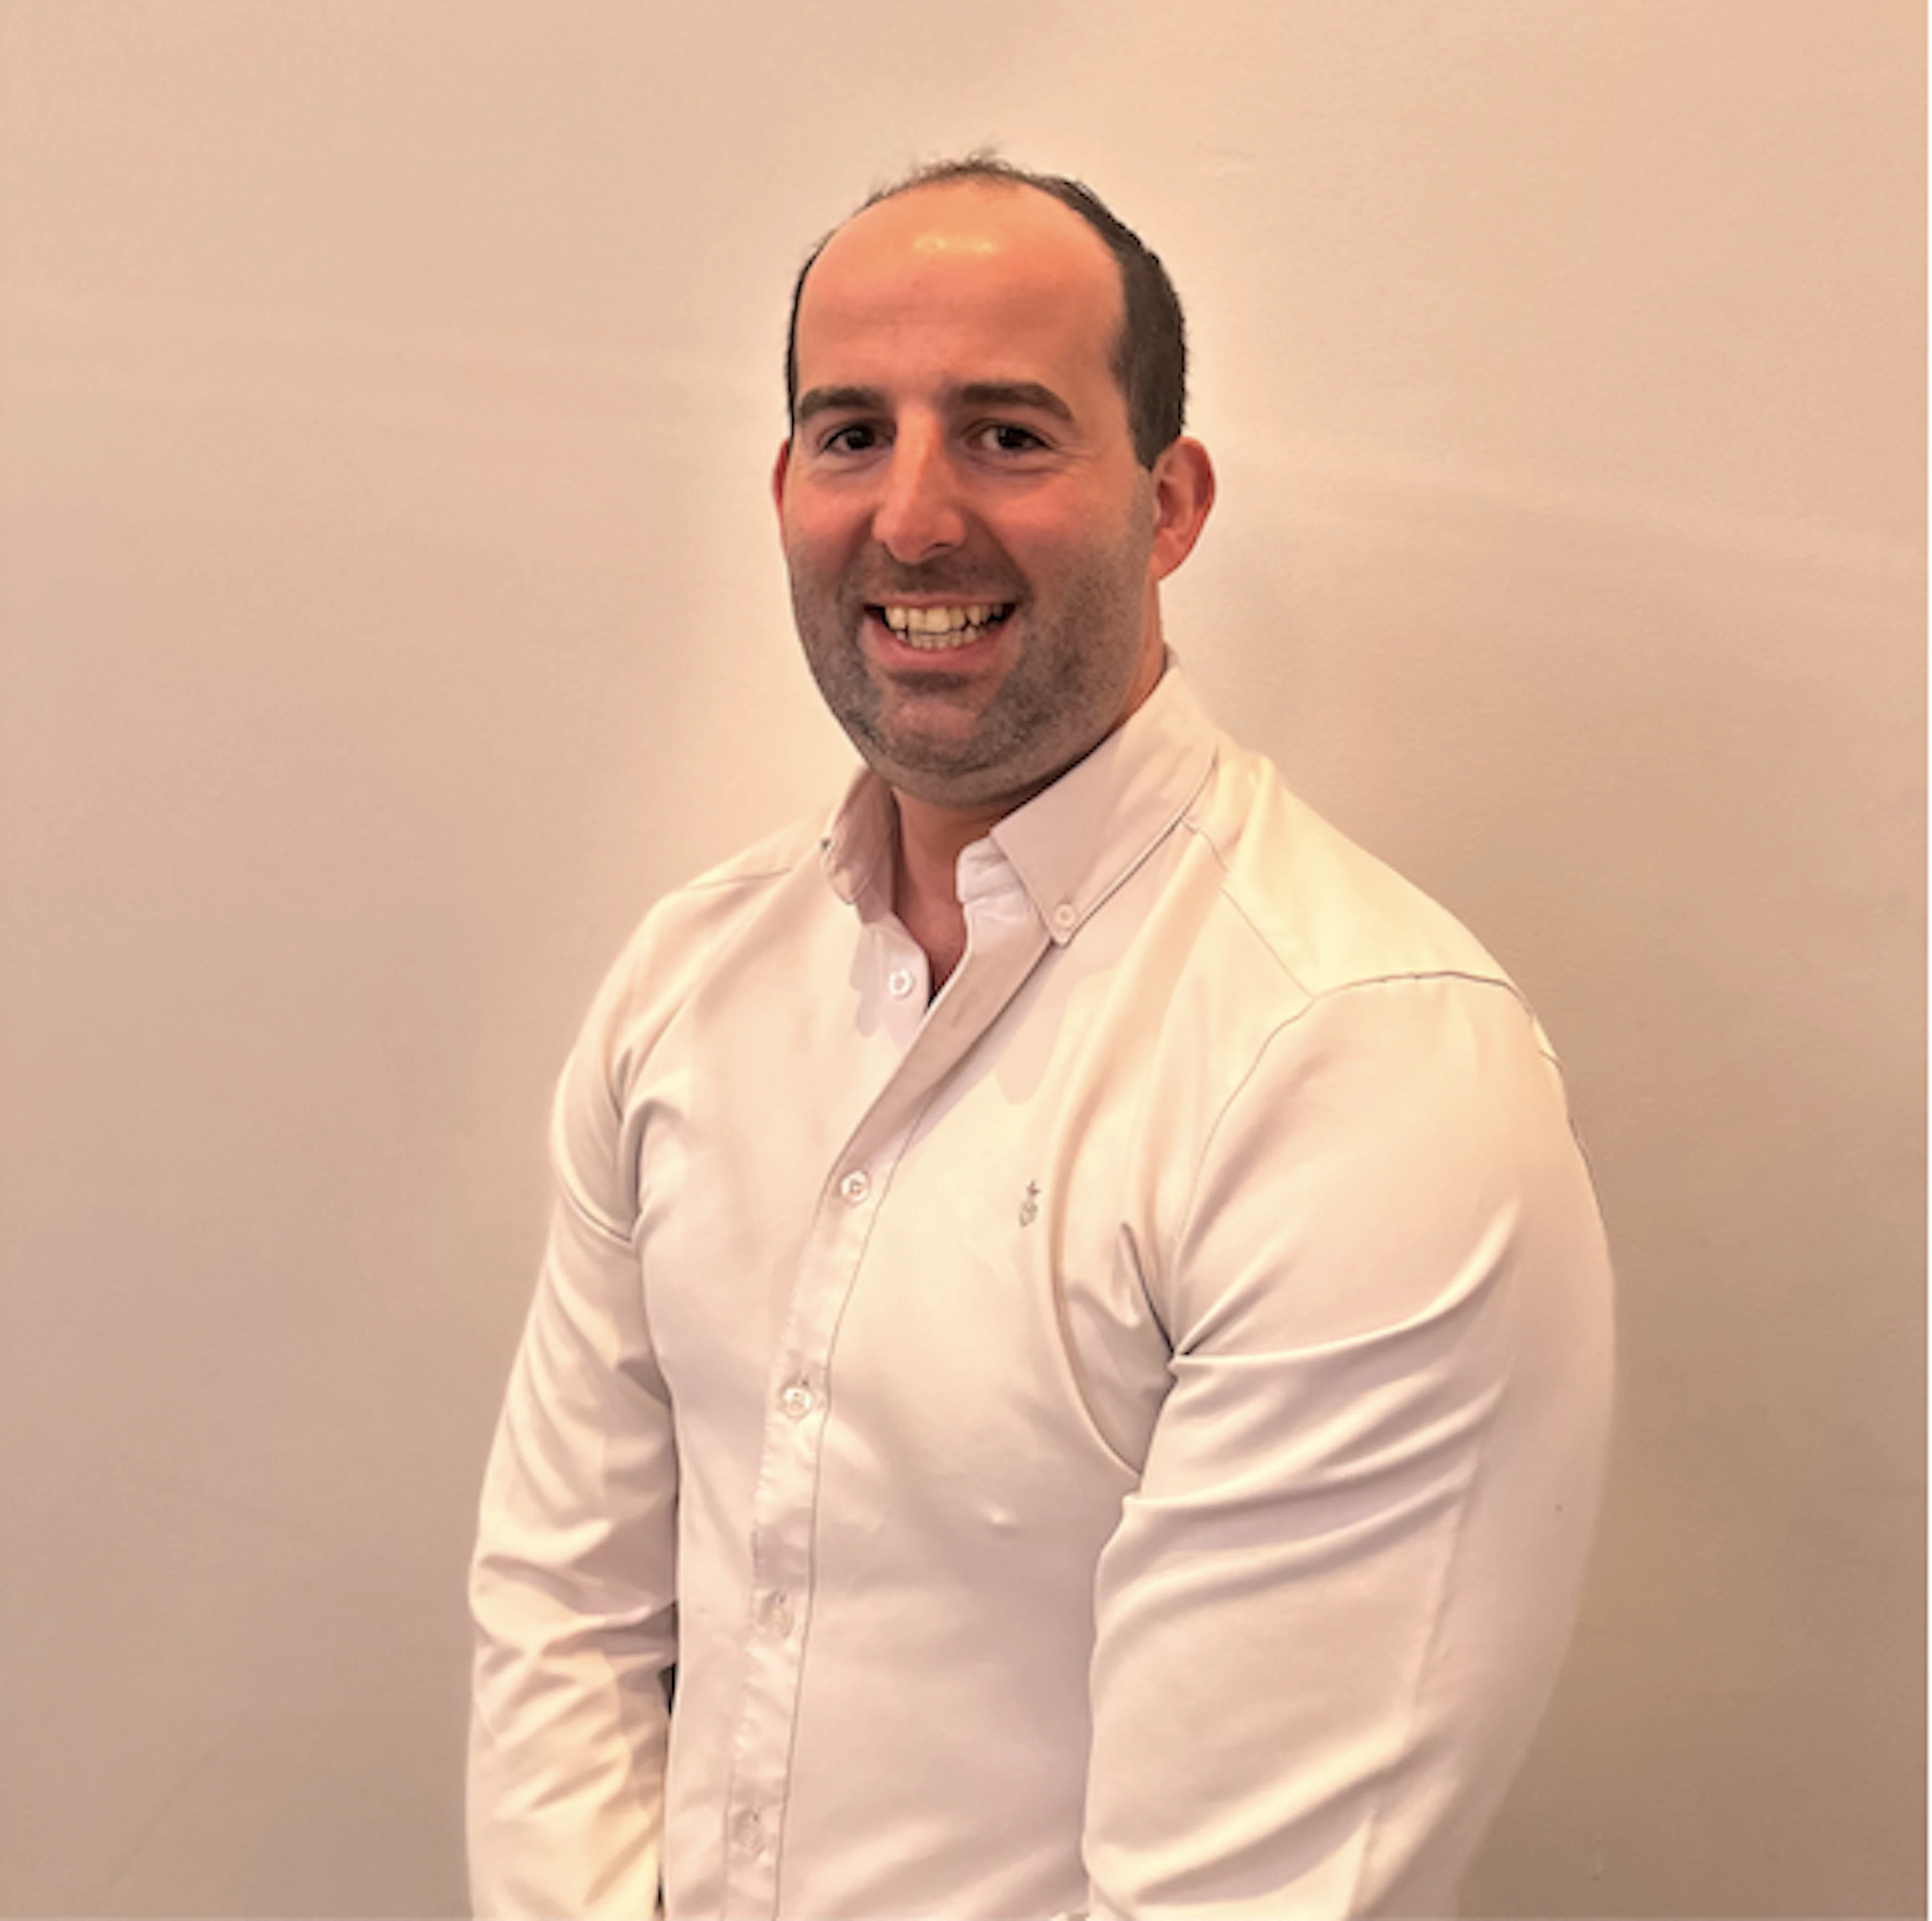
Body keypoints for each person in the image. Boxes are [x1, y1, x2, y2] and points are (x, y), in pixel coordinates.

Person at [467, 156, 1613, 1921]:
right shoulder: (688, 981)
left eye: (1006, 434)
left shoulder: (1354, 1070)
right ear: (784, 487)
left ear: (1170, 502)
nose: (914, 518)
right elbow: (567, 1618)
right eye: (853, 434)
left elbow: (1244, 1896)